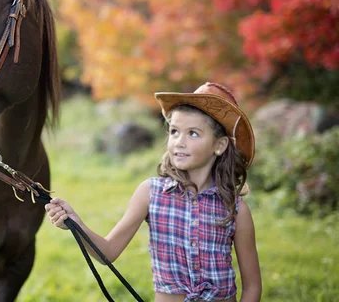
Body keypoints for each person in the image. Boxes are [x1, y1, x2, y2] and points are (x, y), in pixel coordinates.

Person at [45, 82, 262, 302]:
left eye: (193, 134)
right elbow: (108, 251)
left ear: (220, 145)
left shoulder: (235, 210)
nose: (180, 142)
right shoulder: (151, 193)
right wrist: (76, 223)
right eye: (175, 131)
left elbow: (252, 287)